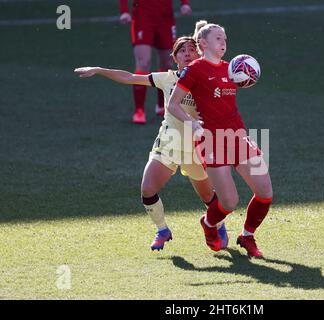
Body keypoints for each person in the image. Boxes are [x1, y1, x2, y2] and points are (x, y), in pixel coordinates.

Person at [74, 36, 228, 251]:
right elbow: (129, 78)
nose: (187, 54)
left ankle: (217, 225)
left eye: (192, 50)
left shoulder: (208, 77)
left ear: (200, 54)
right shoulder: (166, 79)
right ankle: (162, 230)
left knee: (208, 196)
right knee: (147, 189)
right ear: (174, 58)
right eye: (181, 51)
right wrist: (99, 69)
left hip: (196, 147)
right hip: (169, 142)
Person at [167, 21, 273, 258]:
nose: (223, 42)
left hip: (238, 136)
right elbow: (173, 105)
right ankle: (209, 223)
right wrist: (192, 124)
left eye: (225, 38)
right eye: (218, 38)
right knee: (229, 202)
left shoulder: (232, 68)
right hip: (212, 141)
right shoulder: (193, 70)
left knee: (265, 192)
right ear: (203, 44)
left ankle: (247, 236)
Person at [119, 0, 192, 124]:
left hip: (165, 17)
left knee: (167, 63)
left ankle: (161, 106)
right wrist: (124, 11)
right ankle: (139, 110)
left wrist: (184, 3)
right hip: (142, 17)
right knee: (143, 63)